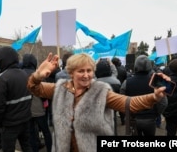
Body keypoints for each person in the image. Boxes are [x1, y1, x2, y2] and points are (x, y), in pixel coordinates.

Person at [27, 52, 169, 152]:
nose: (86, 74)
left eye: (89, 70)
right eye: (81, 71)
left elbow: (129, 103)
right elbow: (35, 88)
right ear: (71, 73)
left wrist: (154, 97)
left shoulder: (101, 92)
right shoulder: (60, 89)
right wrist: (37, 76)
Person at [0, 46, 32, 152]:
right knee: (27, 147)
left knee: (8, 149)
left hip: (9, 125)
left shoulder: (2, 78)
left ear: (3, 60)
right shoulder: (24, 74)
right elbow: (29, 97)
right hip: (26, 121)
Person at [120, 55, 168, 136]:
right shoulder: (156, 83)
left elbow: (121, 101)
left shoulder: (126, 82)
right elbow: (164, 102)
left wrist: (127, 114)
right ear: (150, 67)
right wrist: (156, 114)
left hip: (133, 119)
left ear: (135, 66)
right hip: (150, 119)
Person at [22, 53, 52, 152]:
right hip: (39, 107)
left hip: (26, 109)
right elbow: (45, 92)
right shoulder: (39, 74)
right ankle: (50, 149)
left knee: (31, 133)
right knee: (46, 131)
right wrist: (46, 106)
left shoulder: (19, 74)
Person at [95, 59, 121, 135]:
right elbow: (115, 73)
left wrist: (96, 63)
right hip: (113, 109)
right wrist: (111, 63)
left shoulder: (94, 83)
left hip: (98, 111)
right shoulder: (116, 81)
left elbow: (92, 75)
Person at [111, 57, 127, 125]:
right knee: (121, 105)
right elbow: (126, 79)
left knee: (113, 105)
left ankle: (113, 120)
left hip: (113, 88)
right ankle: (123, 121)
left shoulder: (110, 70)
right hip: (121, 89)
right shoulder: (123, 69)